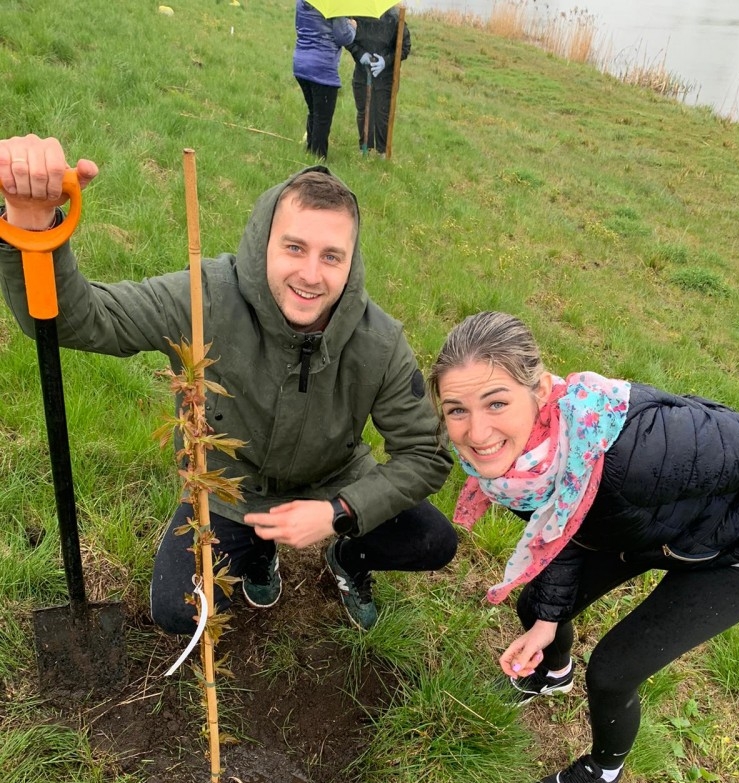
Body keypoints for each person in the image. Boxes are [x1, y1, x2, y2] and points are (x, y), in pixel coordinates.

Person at [0, 134, 458, 635]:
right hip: (228, 487)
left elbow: (425, 454)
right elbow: (77, 320)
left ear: (352, 261)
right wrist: (31, 225)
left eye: (332, 256)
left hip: (332, 481)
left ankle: (349, 557)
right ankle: (258, 552)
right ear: (264, 242)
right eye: (294, 247)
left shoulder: (380, 341)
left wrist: (339, 513)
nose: (311, 274)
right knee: (177, 610)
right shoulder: (206, 297)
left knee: (434, 541)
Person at [428, 311, 739, 783]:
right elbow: (559, 528)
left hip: (731, 550)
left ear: (539, 391)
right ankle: (552, 674)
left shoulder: (643, 450)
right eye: (456, 410)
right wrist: (548, 620)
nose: (477, 431)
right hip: (639, 528)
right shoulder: (521, 467)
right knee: (538, 606)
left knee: (614, 671)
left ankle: (604, 769)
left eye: (496, 403)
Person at [293, 0, 355, 160]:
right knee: (323, 118)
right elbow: (344, 36)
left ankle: (309, 153)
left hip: (300, 64)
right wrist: (353, 26)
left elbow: (299, 26)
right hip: (322, 69)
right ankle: (318, 161)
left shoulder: (301, 2)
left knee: (314, 111)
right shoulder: (335, 4)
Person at [346, 6, 410, 156]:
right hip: (363, 72)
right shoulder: (357, 14)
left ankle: (382, 152)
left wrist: (386, 61)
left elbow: (404, 47)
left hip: (386, 76)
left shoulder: (394, 18)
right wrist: (360, 54)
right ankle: (365, 148)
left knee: (382, 113)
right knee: (364, 111)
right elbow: (347, 38)